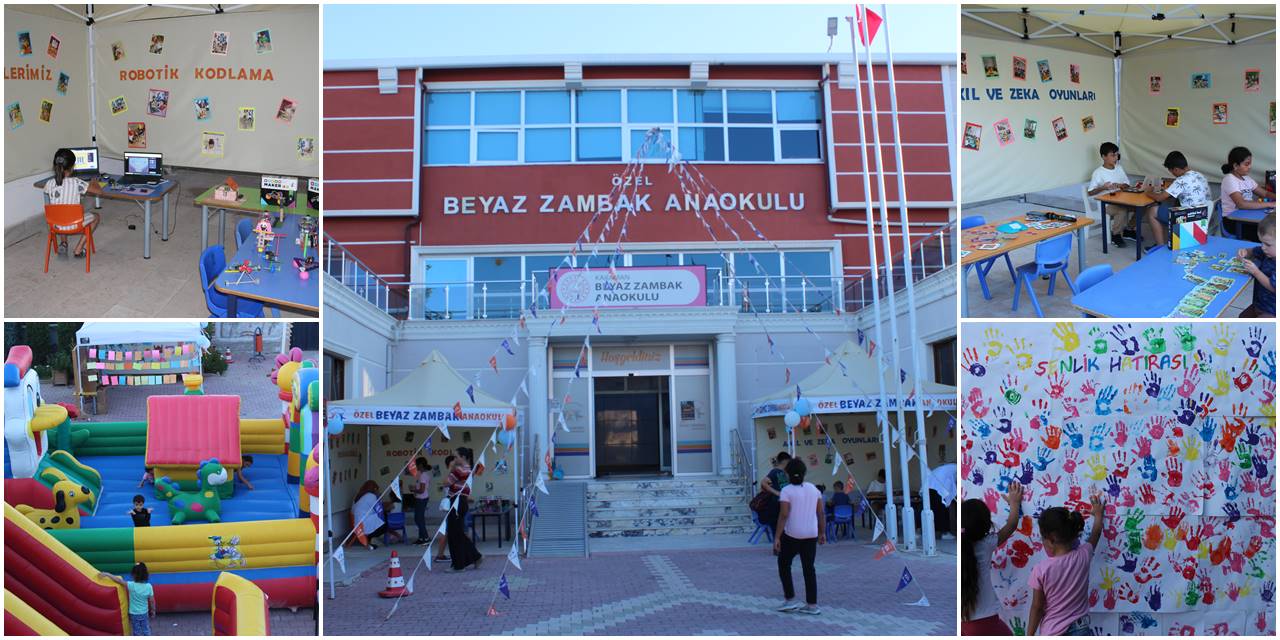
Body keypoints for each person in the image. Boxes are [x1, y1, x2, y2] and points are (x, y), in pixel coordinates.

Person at [1026, 493, 1105, 636]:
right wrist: (1098, 515)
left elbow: (1037, 607)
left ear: (1051, 540)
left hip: (1052, 631)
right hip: (1081, 629)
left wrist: (1029, 635)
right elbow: (1096, 534)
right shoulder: (1084, 554)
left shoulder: (1040, 570)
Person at [960, 482, 1022, 635]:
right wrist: (1014, 503)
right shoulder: (985, 544)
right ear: (987, 524)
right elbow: (1011, 524)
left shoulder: (962, 547)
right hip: (986, 622)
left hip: (964, 624)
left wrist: (964, 510)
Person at [773, 458, 824, 615]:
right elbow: (820, 513)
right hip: (811, 534)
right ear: (804, 473)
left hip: (792, 534)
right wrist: (822, 532)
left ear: (787, 474)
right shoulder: (814, 489)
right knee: (809, 569)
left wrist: (777, 537)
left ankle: (790, 599)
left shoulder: (786, 491)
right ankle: (812, 605)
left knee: (784, 564)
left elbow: (784, 515)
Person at [1144, 150, 1211, 248]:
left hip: (1189, 218)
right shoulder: (1199, 175)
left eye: (1171, 171)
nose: (1172, 174)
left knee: (1152, 210)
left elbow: (1159, 198)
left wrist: (1148, 192)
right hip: (1203, 215)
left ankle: (1159, 246)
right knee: (1168, 204)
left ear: (1175, 169)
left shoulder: (1181, 180)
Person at [44, 148, 99, 258]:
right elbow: (99, 191)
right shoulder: (77, 182)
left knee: (61, 212)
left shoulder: (49, 183)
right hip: (75, 225)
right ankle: (79, 248)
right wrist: (94, 182)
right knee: (96, 216)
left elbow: (50, 191)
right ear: (72, 167)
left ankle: (63, 243)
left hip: (56, 225)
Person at [1087, 142, 1134, 248]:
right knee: (1121, 210)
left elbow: (1127, 184)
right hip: (1106, 205)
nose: (1116, 158)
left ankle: (1128, 229)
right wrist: (1103, 187)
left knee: (1141, 207)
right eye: (1112, 155)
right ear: (1104, 157)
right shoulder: (1098, 172)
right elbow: (1090, 192)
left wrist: (1121, 185)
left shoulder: (1119, 168)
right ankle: (1116, 235)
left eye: (1117, 155)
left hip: (1121, 200)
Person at [445, 447, 483, 571]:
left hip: (457, 502)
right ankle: (475, 556)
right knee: (458, 533)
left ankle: (459, 564)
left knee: (454, 535)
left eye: (456, 457)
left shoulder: (459, 470)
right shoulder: (468, 469)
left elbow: (446, 483)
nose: (454, 459)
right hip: (461, 502)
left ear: (463, 457)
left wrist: (450, 468)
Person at [98, 563, 155, 635]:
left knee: (136, 631)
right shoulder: (149, 586)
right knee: (146, 629)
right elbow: (152, 601)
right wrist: (153, 611)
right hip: (144, 613)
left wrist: (107, 574)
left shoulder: (131, 585)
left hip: (134, 614)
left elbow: (119, 580)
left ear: (134, 575)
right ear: (146, 574)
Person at [1238, 212, 1276, 318]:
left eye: (1267, 244)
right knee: (1242, 317)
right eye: (1261, 242)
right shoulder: (1267, 251)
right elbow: (1254, 251)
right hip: (1260, 304)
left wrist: (1256, 272)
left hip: (1273, 311)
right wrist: (1245, 252)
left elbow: (1274, 288)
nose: (1263, 247)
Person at [1221, 146, 1275, 218]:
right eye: (1246, 164)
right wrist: (1270, 204)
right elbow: (1241, 204)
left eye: (1250, 164)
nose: (1249, 167)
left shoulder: (1247, 179)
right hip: (1233, 219)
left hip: (1247, 215)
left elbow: (1265, 193)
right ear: (1235, 165)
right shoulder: (1229, 179)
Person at [755, 451, 791, 545]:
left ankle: (783, 546)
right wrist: (777, 493)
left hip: (783, 504)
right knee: (777, 527)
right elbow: (763, 483)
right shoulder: (775, 472)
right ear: (785, 461)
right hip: (776, 505)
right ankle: (778, 547)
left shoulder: (784, 473)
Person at [351, 480, 390, 550]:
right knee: (384, 517)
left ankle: (370, 539)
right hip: (363, 524)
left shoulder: (358, 495)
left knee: (380, 517)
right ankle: (372, 538)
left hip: (356, 523)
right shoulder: (371, 496)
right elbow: (379, 510)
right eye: (377, 489)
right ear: (375, 489)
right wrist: (379, 498)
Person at [410, 457, 432, 545]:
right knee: (419, 519)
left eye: (416, 465)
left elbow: (422, 490)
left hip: (422, 499)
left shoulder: (423, 476)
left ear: (420, 465)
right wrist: (415, 488)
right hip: (420, 498)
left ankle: (426, 538)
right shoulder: (421, 474)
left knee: (419, 519)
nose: (415, 467)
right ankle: (421, 538)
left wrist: (413, 490)